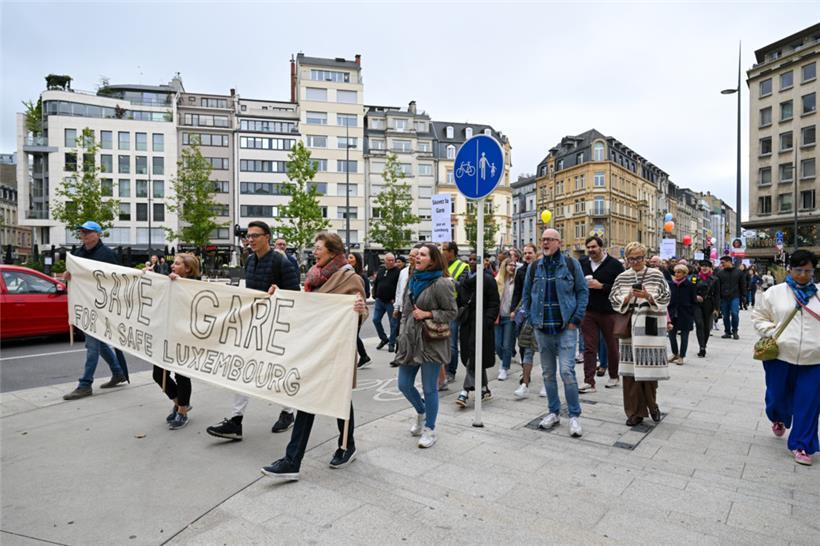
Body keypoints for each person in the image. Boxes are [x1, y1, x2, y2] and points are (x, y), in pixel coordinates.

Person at [262, 232, 368, 479]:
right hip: (314, 349)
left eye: (319, 248)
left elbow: (359, 313)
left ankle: (345, 446)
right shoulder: (314, 276)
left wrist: (359, 310)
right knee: (308, 402)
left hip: (336, 352)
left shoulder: (349, 277)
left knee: (340, 401)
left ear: (332, 251)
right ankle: (293, 461)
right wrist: (281, 294)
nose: (314, 251)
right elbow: (305, 307)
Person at [206, 220, 301, 441]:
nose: (250, 240)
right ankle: (235, 421)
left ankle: (288, 412)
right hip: (253, 325)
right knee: (241, 368)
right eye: (248, 236)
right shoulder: (249, 260)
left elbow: (295, 294)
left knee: (276, 370)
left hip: (275, 327)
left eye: (255, 236)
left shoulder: (282, 261)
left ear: (267, 237)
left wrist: (279, 292)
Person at [752, 249, 819, 466]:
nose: (803, 275)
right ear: (789, 269)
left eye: (808, 271)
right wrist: (773, 333)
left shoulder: (818, 294)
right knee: (777, 397)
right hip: (779, 356)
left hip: (814, 359)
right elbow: (759, 317)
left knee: (809, 403)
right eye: (798, 270)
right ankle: (778, 417)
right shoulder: (775, 293)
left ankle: (802, 444)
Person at [519, 228, 588, 437]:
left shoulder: (571, 264)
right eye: (543, 240)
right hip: (542, 327)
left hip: (566, 327)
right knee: (548, 373)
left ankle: (574, 415)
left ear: (559, 242)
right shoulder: (534, 267)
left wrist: (575, 320)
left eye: (550, 239)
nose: (545, 243)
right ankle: (553, 412)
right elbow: (526, 295)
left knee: (566, 371)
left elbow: (582, 291)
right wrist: (531, 318)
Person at [394, 244, 457, 448]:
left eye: (422, 255)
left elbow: (452, 312)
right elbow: (405, 312)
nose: (417, 257)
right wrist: (402, 336)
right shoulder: (413, 279)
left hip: (432, 341)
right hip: (411, 340)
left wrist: (428, 314)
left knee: (430, 388)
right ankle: (422, 411)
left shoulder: (442, 283)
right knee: (404, 384)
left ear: (433, 260)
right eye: (417, 254)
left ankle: (430, 429)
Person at [62, 221, 129, 400]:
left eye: (88, 232)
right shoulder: (78, 254)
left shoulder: (107, 254)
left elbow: (118, 279)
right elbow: (73, 274)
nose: (84, 235)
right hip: (86, 305)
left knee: (92, 345)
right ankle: (118, 372)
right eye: (82, 232)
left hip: (101, 307)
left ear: (98, 234)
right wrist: (68, 275)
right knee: (99, 343)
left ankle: (85, 385)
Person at [609, 242, 671, 426]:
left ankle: (652, 405)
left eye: (639, 258)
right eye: (632, 259)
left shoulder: (656, 275)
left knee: (649, 370)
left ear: (645, 257)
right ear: (627, 259)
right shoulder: (622, 277)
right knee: (630, 374)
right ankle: (634, 412)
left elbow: (666, 297)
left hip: (650, 326)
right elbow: (613, 298)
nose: (635, 262)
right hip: (629, 327)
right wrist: (627, 297)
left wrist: (648, 297)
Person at [153, 253, 199, 429]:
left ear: (187, 268)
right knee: (158, 374)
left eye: (177, 264)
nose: (172, 266)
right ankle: (179, 402)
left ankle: (182, 412)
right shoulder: (169, 282)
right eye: (173, 263)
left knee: (181, 375)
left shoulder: (195, 286)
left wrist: (179, 284)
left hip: (183, 337)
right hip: (165, 335)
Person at [578, 236, 624, 393]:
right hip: (588, 311)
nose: (591, 250)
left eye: (594, 247)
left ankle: (614, 375)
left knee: (612, 345)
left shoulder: (615, 265)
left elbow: (621, 288)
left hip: (608, 312)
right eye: (588, 247)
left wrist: (602, 286)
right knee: (589, 347)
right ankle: (589, 382)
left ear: (601, 247)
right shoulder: (583, 263)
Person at [456, 264, 500, 407]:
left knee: (474, 355)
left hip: (481, 323)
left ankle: (465, 390)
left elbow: (494, 302)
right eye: (471, 259)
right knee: (473, 355)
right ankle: (484, 389)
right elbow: (459, 301)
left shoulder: (488, 280)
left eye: (476, 259)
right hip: (467, 323)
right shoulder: (464, 281)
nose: (473, 262)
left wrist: (487, 321)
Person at [511, 243, 540, 398]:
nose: (527, 255)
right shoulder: (521, 271)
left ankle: (545, 383)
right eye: (525, 253)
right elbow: (519, 293)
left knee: (544, 350)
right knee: (525, 347)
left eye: (530, 253)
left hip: (542, 314)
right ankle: (525, 380)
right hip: (526, 313)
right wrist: (514, 309)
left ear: (535, 254)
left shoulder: (540, 268)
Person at [441, 242, 470, 383]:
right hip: (440, 307)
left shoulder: (463, 266)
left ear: (452, 251)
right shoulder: (440, 265)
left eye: (444, 249)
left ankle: (450, 371)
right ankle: (442, 370)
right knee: (441, 341)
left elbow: (462, 287)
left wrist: (449, 280)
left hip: (454, 308)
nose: (442, 252)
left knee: (451, 343)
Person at [392, 246, 422, 368]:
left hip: (414, 309)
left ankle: (408, 356)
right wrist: (396, 307)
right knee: (400, 332)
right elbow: (399, 290)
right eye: (410, 255)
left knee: (409, 333)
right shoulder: (403, 271)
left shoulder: (420, 273)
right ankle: (399, 355)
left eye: (413, 256)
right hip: (403, 307)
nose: (411, 258)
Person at [667, 264, 697, 365]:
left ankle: (682, 356)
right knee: (671, 335)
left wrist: (691, 313)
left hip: (685, 314)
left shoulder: (690, 285)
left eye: (679, 272)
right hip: (672, 313)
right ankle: (675, 353)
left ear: (684, 274)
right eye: (675, 272)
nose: (676, 274)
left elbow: (694, 301)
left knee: (684, 336)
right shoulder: (671, 284)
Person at [372, 253, 400, 352]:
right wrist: (375, 295)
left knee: (393, 323)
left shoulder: (398, 272)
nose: (391, 262)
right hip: (379, 300)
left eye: (393, 260)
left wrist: (395, 299)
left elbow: (399, 286)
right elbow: (376, 283)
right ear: (385, 261)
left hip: (391, 302)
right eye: (389, 260)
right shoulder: (381, 270)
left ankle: (391, 343)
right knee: (375, 320)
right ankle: (384, 339)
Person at [348, 252, 371, 368]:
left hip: (358, 309)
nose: (348, 259)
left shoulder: (362, 276)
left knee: (353, 334)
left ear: (356, 260)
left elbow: (366, 293)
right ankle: (363, 356)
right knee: (352, 334)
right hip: (349, 309)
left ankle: (364, 356)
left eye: (351, 257)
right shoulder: (348, 274)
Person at [495, 258, 517, 381]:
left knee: (507, 345)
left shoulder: (515, 281)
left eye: (514, 265)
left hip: (510, 316)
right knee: (497, 344)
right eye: (510, 265)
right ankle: (504, 360)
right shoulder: (497, 280)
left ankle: (504, 367)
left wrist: (515, 311)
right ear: (504, 266)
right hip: (498, 316)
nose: (512, 267)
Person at [693, 260, 720, 358]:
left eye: (706, 266)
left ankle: (704, 344)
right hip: (697, 304)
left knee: (706, 327)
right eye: (702, 266)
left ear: (710, 268)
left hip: (709, 304)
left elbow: (717, 295)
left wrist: (717, 308)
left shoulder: (715, 279)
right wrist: (695, 296)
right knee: (699, 324)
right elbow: (691, 290)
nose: (704, 268)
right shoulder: (695, 278)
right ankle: (702, 347)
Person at [716, 256, 746, 340]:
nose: (721, 264)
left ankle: (735, 331)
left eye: (723, 262)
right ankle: (727, 332)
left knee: (734, 313)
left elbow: (743, 285)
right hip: (724, 297)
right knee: (725, 316)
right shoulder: (720, 273)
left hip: (735, 296)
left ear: (729, 262)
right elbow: (718, 287)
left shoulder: (739, 272)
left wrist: (744, 296)